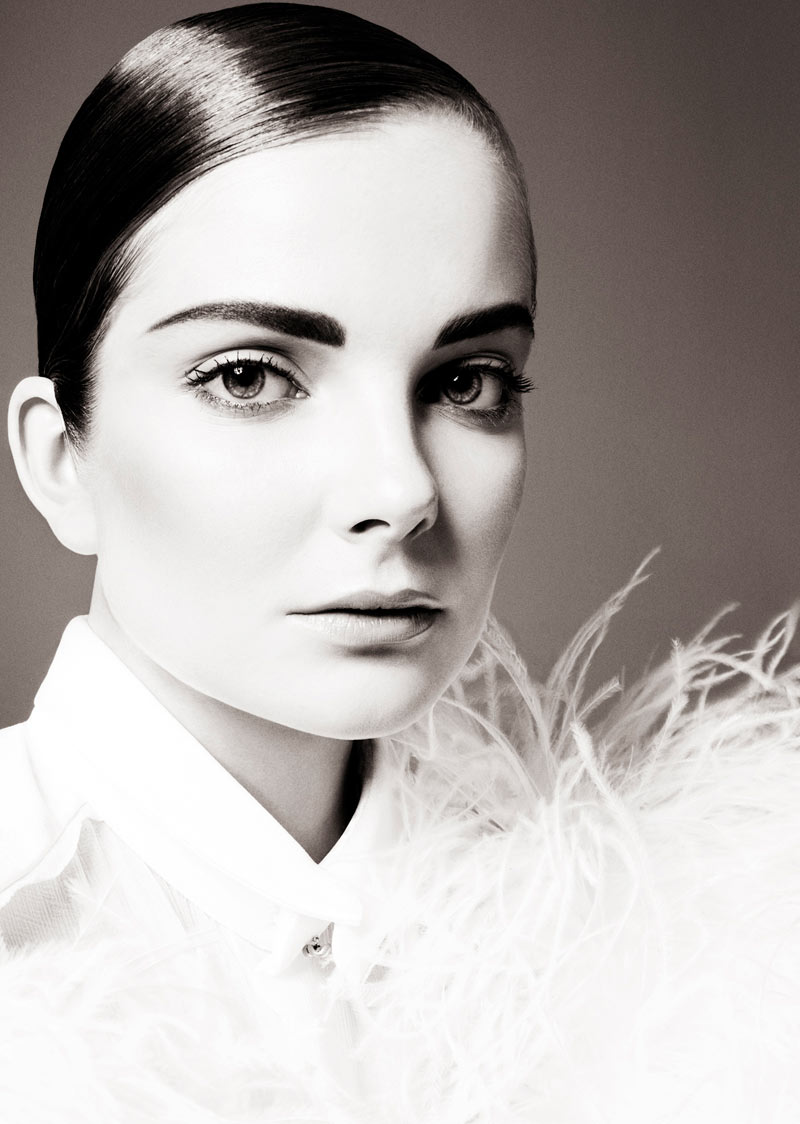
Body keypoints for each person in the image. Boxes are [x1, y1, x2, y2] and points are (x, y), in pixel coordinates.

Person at [1, 5, 798, 1121]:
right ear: (59, 458)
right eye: (247, 375)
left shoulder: (676, 950)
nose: (401, 489)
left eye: (468, 380)